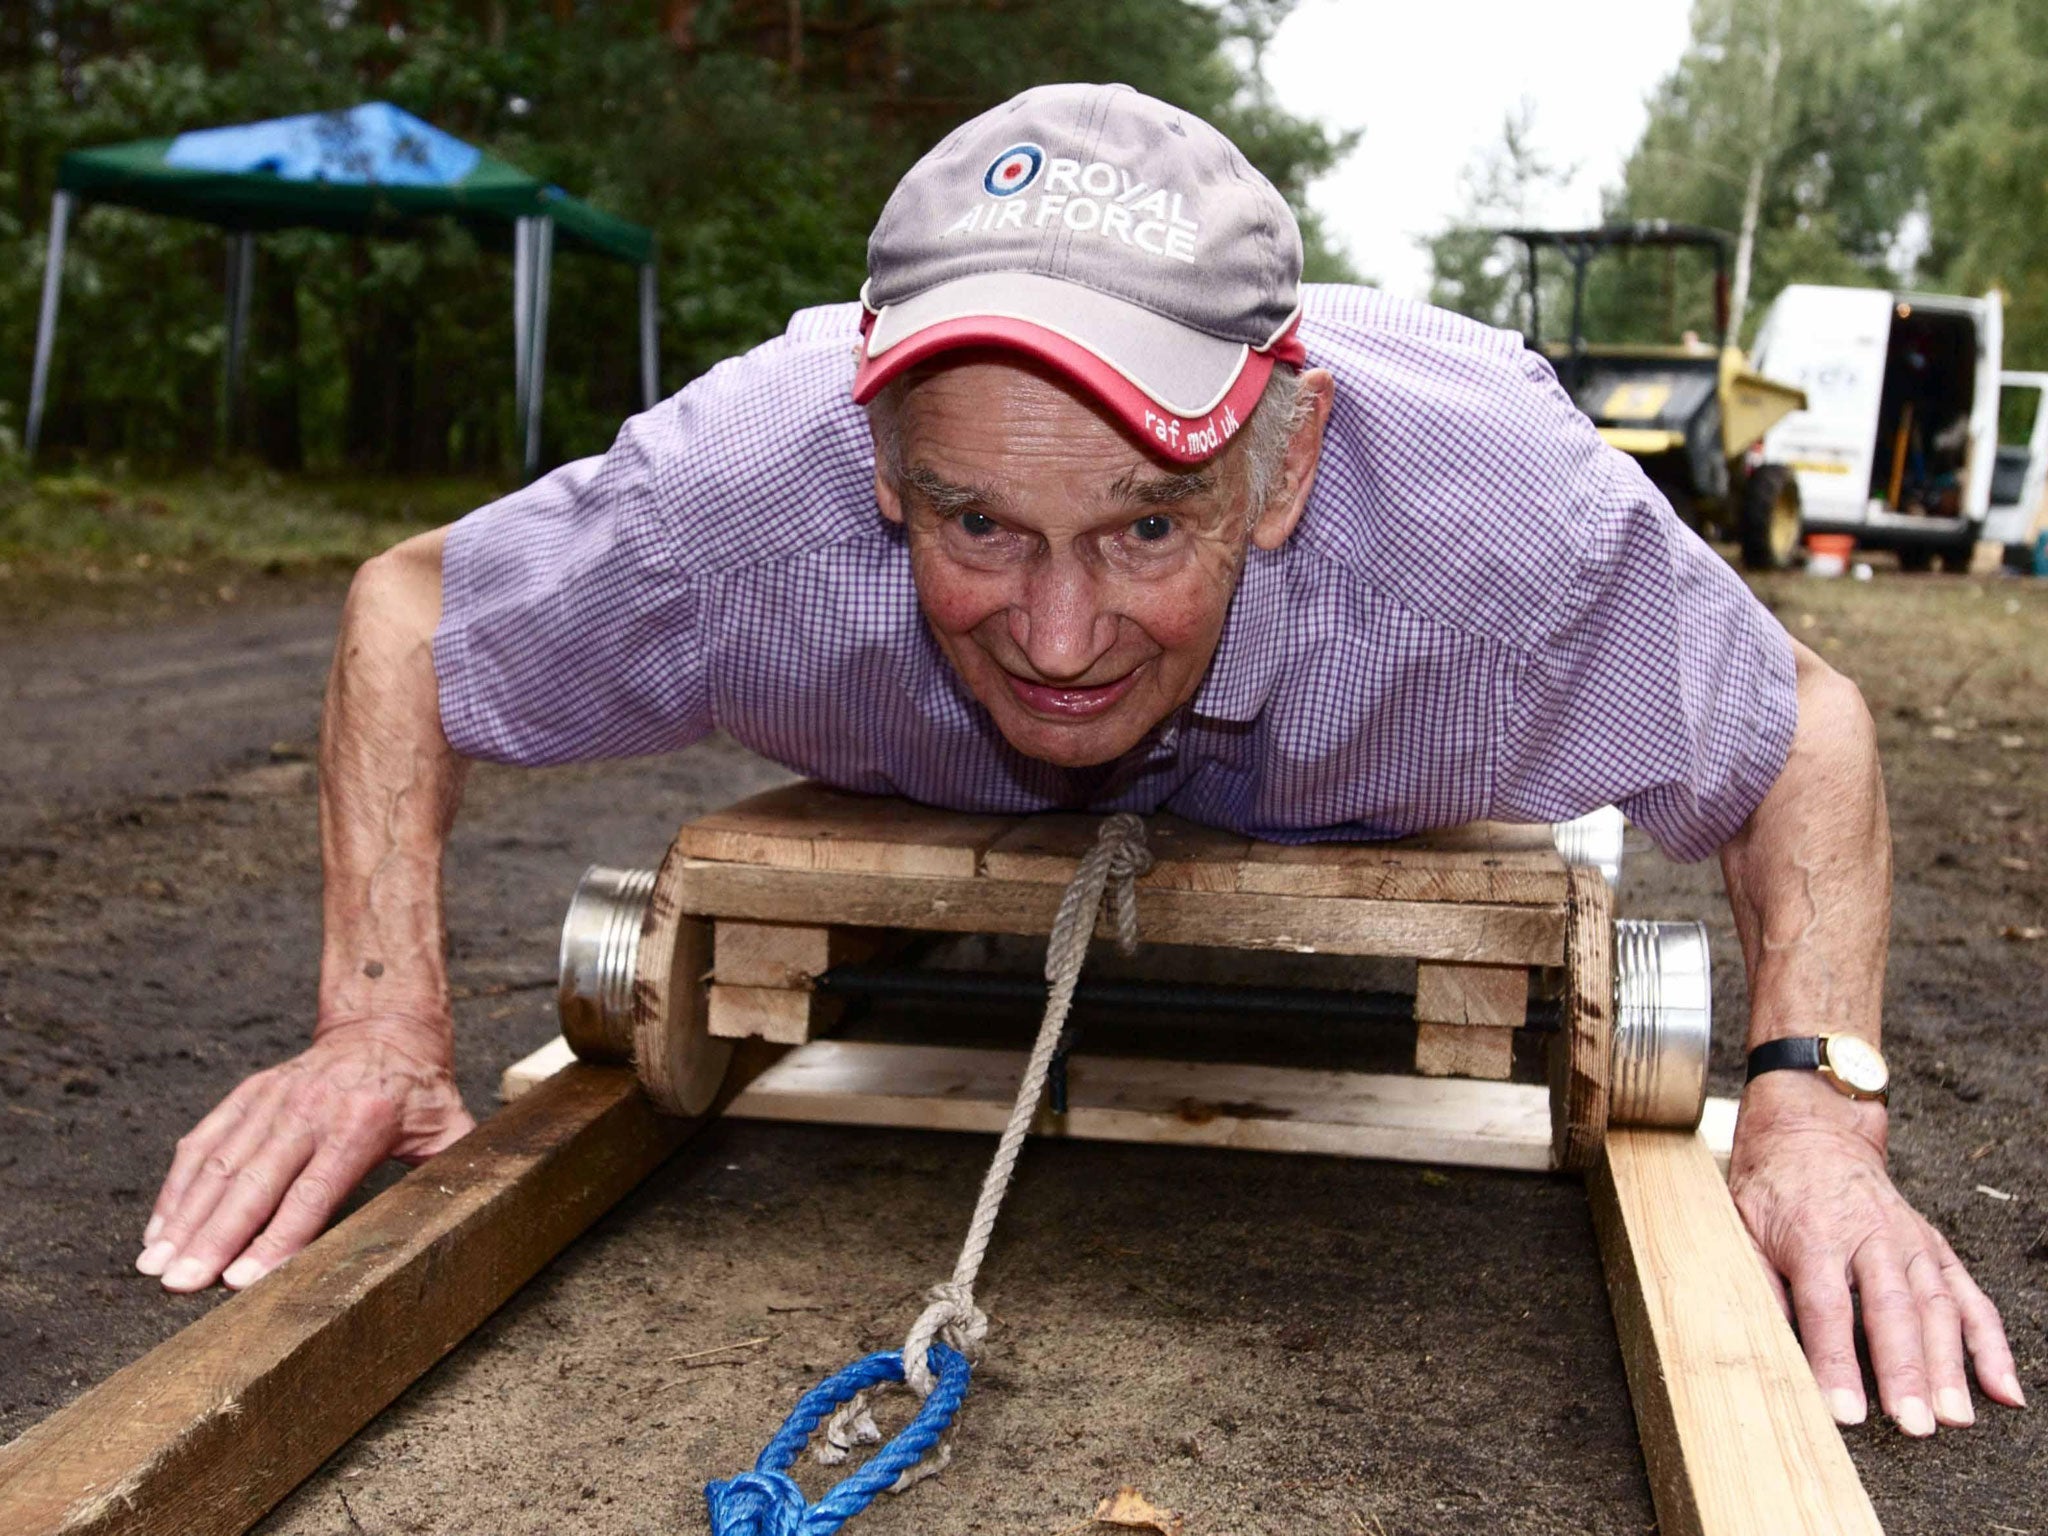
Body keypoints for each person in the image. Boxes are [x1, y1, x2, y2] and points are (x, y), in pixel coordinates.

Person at [137, 82, 2018, 1440]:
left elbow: (1805, 735)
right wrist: (374, 1026)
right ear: (874, 467)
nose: (1056, 641)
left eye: (1144, 529)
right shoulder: (746, 484)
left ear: (1281, 465)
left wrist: (1812, 1118)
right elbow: (410, 620)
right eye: (973, 526)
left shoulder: (1494, 525)